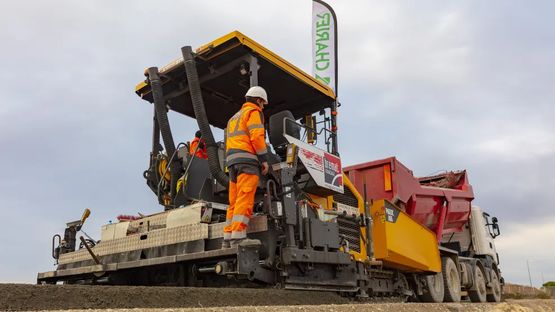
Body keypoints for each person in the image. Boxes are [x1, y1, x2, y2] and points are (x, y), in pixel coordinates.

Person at [223, 86, 270, 248]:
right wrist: (264, 159)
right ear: (258, 100)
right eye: (262, 103)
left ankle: (228, 238)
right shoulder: (253, 112)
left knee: (234, 201)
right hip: (247, 162)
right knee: (245, 197)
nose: (263, 107)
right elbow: (257, 136)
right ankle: (238, 237)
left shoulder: (233, 118)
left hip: (232, 162)